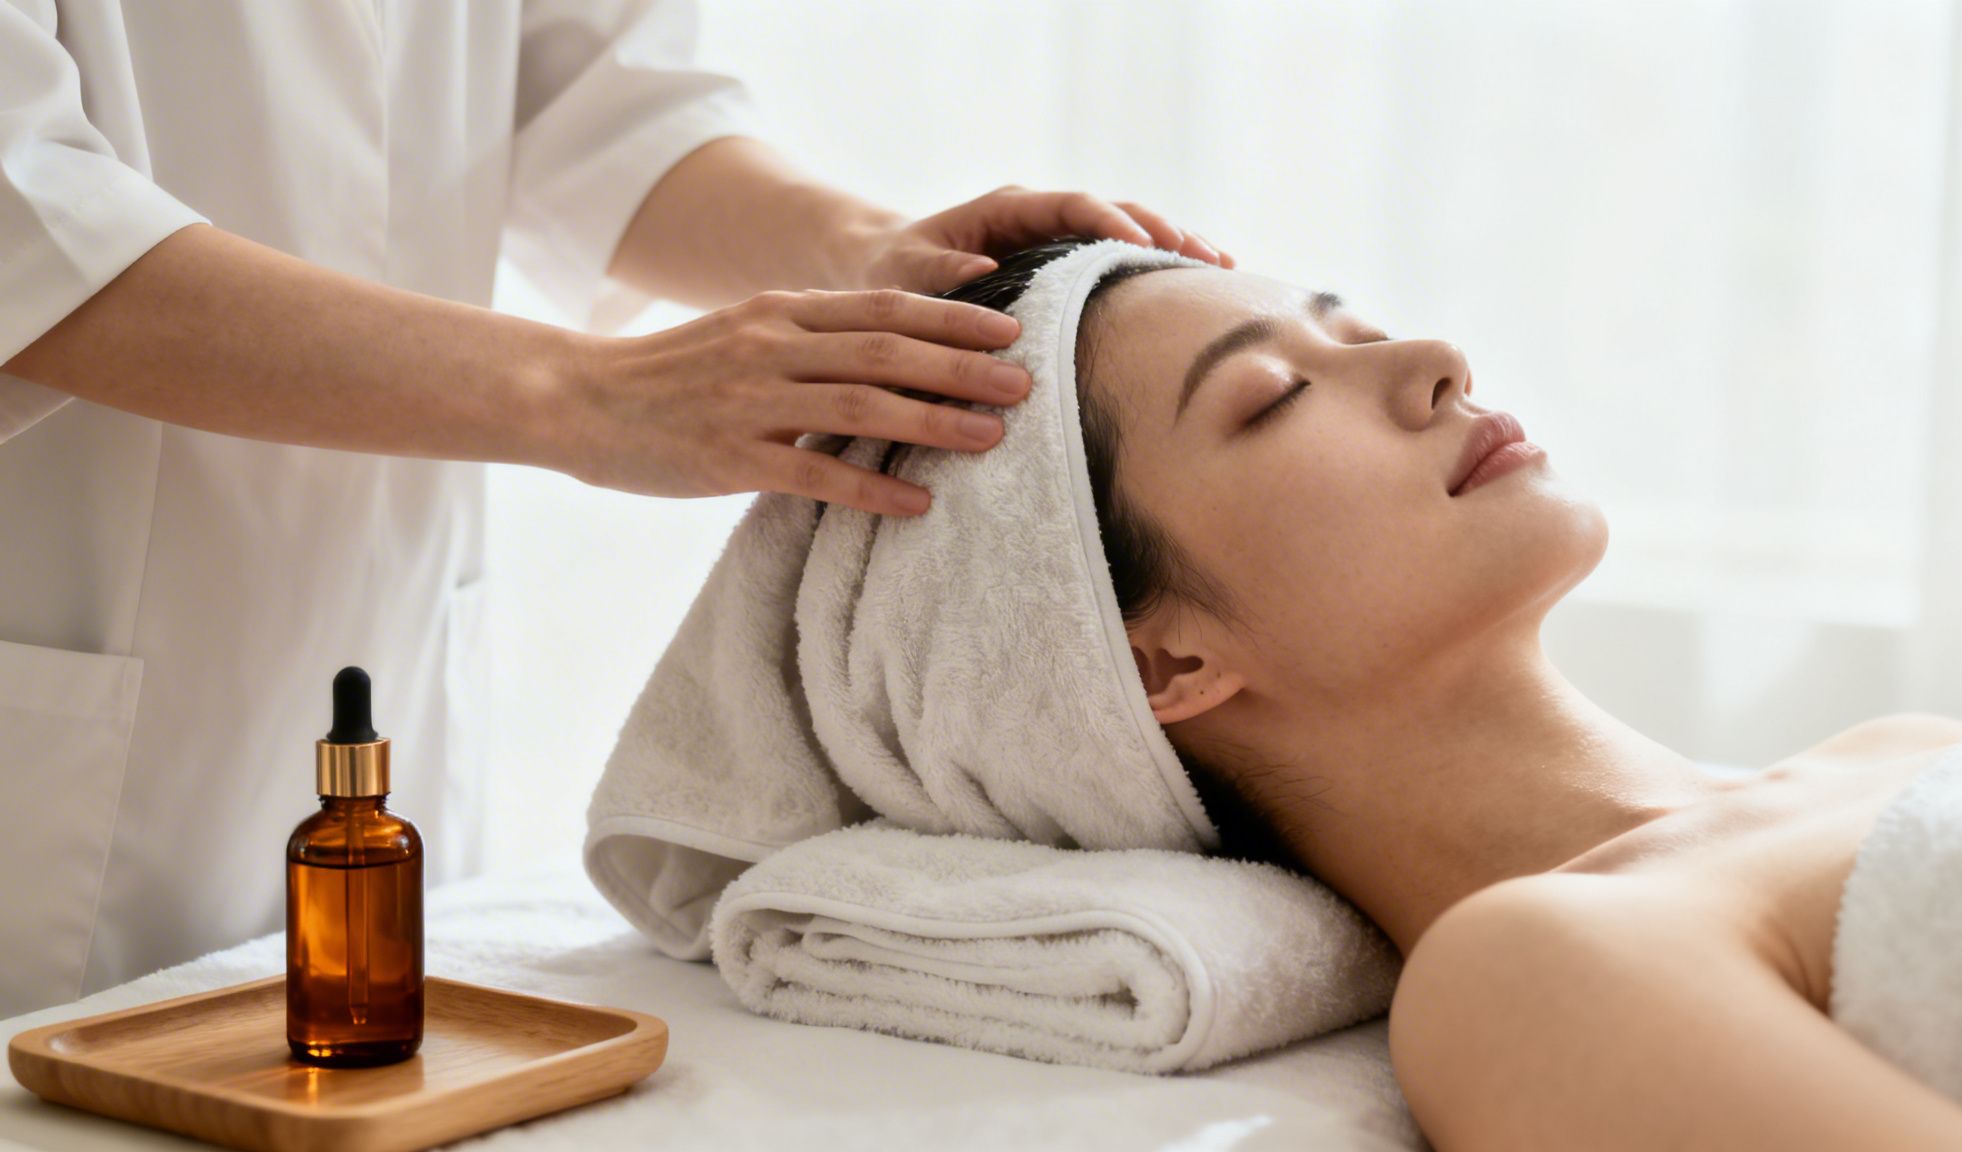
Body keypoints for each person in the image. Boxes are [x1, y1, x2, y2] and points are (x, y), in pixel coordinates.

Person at [0, 4, 1227, 1018]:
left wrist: (860, 249)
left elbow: (591, 97)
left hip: (372, 653)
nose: (1424, 376)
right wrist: (581, 395)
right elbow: (27, 210)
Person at [933, 240, 1962, 1150]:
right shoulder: (1532, 974)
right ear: (1163, 667)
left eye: (1359, 331)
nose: (1435, 360)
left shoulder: (1904, 748)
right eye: (1272, 396)